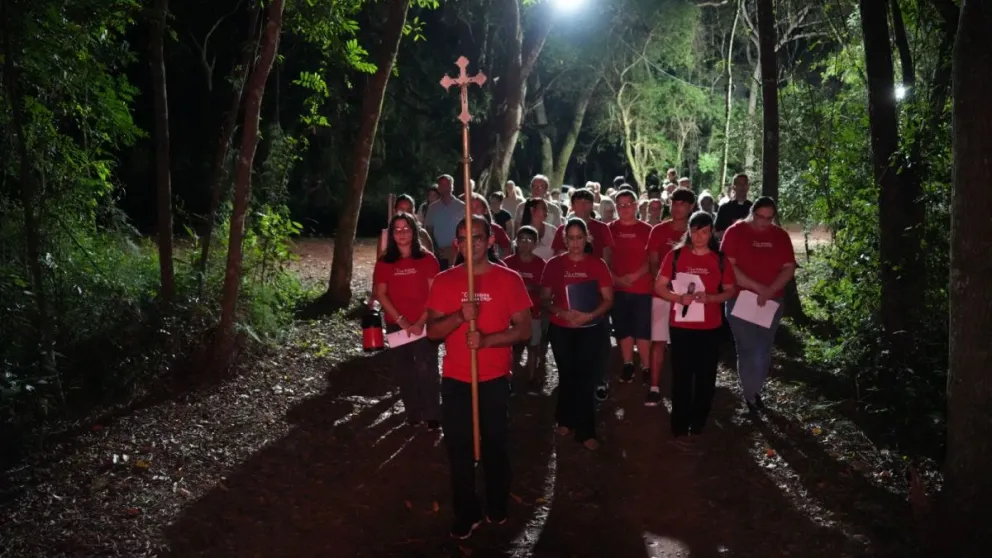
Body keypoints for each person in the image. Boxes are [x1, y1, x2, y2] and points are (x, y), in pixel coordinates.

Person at [426, 216, 533, 540]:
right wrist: (460, 316)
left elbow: (524, 330)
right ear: (456, 243)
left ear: (489, 241)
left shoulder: (509, 279)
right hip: (457, 380)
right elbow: (432, 333)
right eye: (462, 238)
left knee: (495, 446)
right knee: (458, 449)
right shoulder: (444, 281)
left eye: (476, 237)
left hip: (494, 378)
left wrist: (487, 340)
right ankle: (466, 511)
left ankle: (497, 502)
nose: (469, 244)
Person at [654, 211, 737, 447]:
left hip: (710, 327)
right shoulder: (676, 256)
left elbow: (730, 290)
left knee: (705, 377)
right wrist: (678, 299)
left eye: (704, 231)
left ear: (711, 233)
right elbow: (659, 286)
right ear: (688, 231)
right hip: (681, 326)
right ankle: (679, 427)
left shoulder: (719, 259)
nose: (699, 236)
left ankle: (698, 425)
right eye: (695, 230)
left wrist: (711, 298)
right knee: (681, 375)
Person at [541, 218, 614, 450]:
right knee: (567, 374)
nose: (575, 243)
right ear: (565, 240)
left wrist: (589, 316)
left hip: (589, 329)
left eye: (579, 238)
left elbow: (608, 300)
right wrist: (561, 312)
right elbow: (544, 299)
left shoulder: (597, 264)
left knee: (586, 377)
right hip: (561, 328)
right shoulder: (554, 264)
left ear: (587, 239)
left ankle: (586, 430)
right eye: (570, 238)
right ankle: (565, 419)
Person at [720, 197, 796, 412]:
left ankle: (756, 390)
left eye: (769, 218)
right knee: (747, 348)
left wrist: (770, 290)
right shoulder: (735, 232)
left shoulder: (780, 235)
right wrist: (758, 288)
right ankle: (750, 395)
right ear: (752, 213)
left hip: (771, 301)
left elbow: (789, 267)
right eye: (760, 217)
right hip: (740, 299)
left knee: (763, 349)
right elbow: (729, 267)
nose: (764, 222)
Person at [373, 212, 441, 429]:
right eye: (397, 229)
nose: (402, 234)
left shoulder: (427, 259)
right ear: (392, 234)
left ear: (415, 231)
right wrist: (401, 321)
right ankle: (413, 413)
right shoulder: (385, 261)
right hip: (396, 323)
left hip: (424, 322)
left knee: (426, 367)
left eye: (406, 229)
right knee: (404, 369)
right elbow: (381, 294)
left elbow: (434, 293)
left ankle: (432, 414)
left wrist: (421, 321)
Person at [644, 188, 696, 405]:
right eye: (674, 203)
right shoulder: (658, 230)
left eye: (682, 204)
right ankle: (654, 387)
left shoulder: (697, 232)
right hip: (662, 294)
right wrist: (666, 285)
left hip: (690, 296)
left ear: (691, 207)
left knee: (687, 343)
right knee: (659, 340)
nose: (677, 208)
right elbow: (653, 262)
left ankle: (684, 387)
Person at [608, 189, 653, 387]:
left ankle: (646, 366)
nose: (624, 208)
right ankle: (628, 364)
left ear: (636, 205)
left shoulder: (647, 229)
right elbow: (604, 260)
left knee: (643, 329)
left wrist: (634, 276)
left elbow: (653, 260)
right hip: (618, 289)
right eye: (621, 205)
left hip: (642, 287)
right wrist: (616, 279)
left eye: (628, 204)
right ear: (616, 207)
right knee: (623, 328)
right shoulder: (609, 229)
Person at [504, 226, 547, 388]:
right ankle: (510, 377)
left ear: (535, 244)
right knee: (512, 347)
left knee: (533, 346)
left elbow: (546, 289)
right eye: (521, 239)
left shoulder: (540, 264)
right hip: (510, 313)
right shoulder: (507, 263)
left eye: (529, 240)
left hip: (533, 312)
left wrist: (531, 287)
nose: (525, 243)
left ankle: (531, 378)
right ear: (516, 242)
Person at [551, 188, 614, 263]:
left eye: (587, 202)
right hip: (569, 273)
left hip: (596, 272)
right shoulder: (562, 229)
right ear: (573, 206)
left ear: (592, 206)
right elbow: (559, 258)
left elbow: (607, 259)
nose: (583, 205)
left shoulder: (602, 228)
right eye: (579, 202)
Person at [425, 174, 466, 270]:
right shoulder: (432, 208)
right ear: (438, 188)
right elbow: (428, 230)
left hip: (459, 254)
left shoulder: (462, 207)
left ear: (452, 186)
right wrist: (436, 250)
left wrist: (456, 249)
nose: (445, 188)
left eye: (447, 185)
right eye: (442, 185)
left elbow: (467, 230)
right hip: (439, 255)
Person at [469, 193, 511, 258]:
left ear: (485, 210)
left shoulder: (496, 229)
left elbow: (507, 247)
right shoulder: (463, 230)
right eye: (471, 207)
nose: (474, 210)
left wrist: (501, 261)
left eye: (477, 206)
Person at [714, 173, 752, 238]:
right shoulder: (724, 208)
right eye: (739, 184)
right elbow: (716, 232)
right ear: (733, 187)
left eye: (745, 184)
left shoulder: (753, 208)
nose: (742, 186)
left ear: (748, 186)